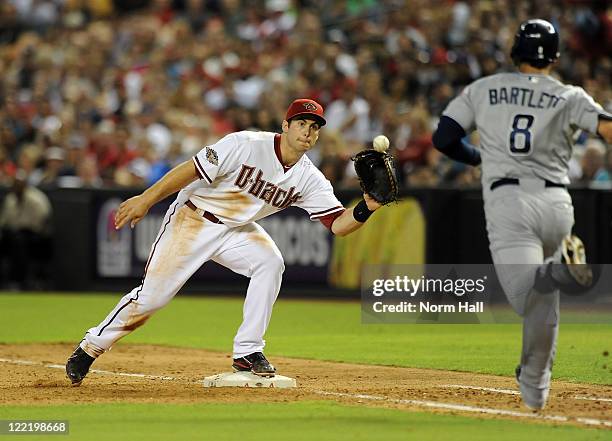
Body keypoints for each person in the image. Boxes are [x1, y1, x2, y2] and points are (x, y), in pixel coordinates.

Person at [66, 98, 383, 386]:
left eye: (313, 127)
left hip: (236, 230)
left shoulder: (310, 178)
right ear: (285, 126)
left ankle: (248, 352)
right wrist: (147, 199)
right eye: (301, 123)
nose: (307, 132)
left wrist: (366, 207)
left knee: (270, 263)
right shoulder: (245, 143)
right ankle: (89, 348)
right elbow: (191, 169)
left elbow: (339, 225)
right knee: (151, 299)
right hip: (192, 220)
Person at [432, 19, 612, 410]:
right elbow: (607, 130)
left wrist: (479, 156)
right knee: (543, 300)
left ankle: (560, 273)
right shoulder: (569, 94)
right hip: (558, 206)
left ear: (515, 52)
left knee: (526, 296)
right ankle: (534, 387)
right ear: (556, 56)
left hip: (510, 202)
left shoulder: (484, 88)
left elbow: (443, 137)